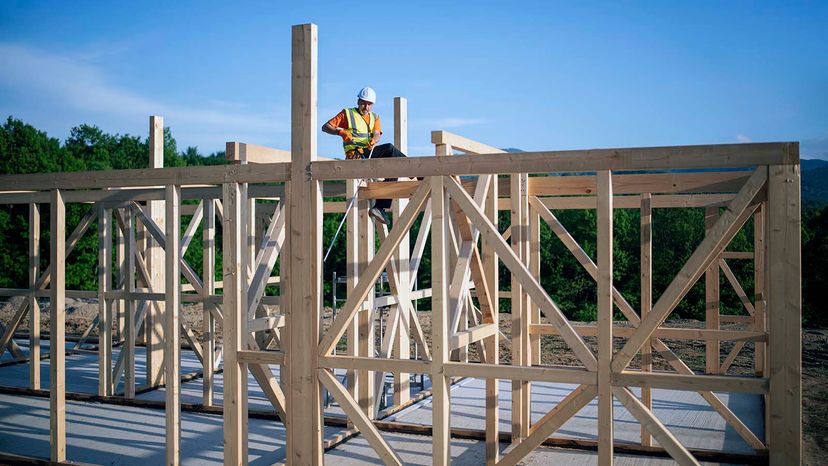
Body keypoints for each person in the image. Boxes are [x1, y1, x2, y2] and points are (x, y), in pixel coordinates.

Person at [322, 86, 407, 225]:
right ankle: (417, 172)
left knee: (393, 166)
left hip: (368, 153)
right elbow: (325, 127)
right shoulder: (347, 114)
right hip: (355, 156)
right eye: (364, 103)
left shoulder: (374, 117)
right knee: (390, 149)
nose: (366, 107)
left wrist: (374, 139)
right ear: (358, 101)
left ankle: (380, 207)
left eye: (369, 104)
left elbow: (377, 133)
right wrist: (341, 132)